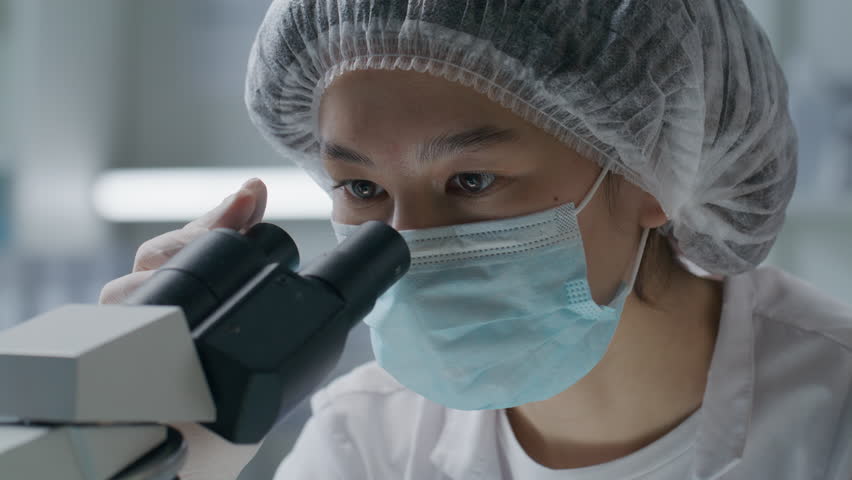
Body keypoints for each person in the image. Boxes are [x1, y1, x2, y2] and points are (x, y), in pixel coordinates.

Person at [101, 0, 852, 478]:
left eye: (472, 179)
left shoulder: (834, 416)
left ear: (655, 165)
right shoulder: (371, 438)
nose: (407, 243)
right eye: (361, 188)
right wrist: (152, 451)